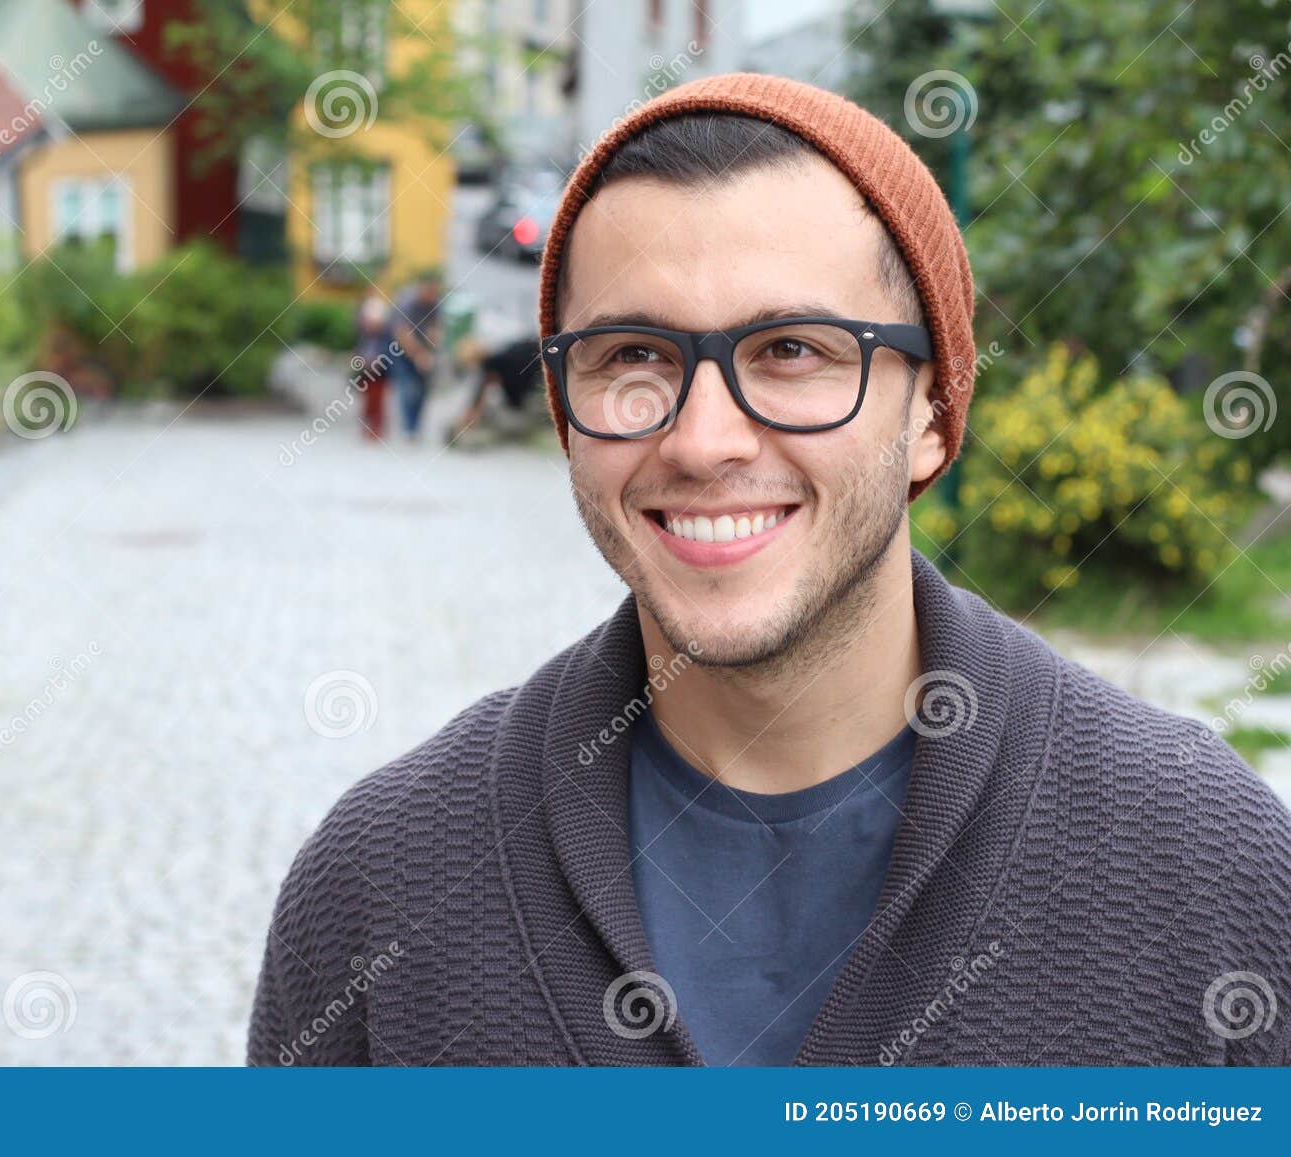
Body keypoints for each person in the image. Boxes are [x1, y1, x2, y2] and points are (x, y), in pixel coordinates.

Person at [249, 74, 1291, 1066]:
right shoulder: (378, 889)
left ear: (932, 412)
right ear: (566, 415)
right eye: (632, 356)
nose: (704, 441)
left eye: (792, 350)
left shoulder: (1208, 865)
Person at [448, 334, 543, 442]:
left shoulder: (495, 364)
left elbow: (481, 390)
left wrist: (472, 414)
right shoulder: (500, 359)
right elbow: (482, 389)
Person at [390, 274, 443, 441]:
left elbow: (436, 329)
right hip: (403, 352)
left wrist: (431, 350)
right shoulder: (407, 303)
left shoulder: (435, 304)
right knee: (408, 388)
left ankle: (416, 426)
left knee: (423, 391)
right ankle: (408, 427)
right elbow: (402, 334)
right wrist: (419, 355)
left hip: (425, 352)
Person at [352, 295, 392, 441]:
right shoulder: (362, 336)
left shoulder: (386, 336)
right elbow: (357, 351)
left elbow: (389, 354)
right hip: (364, 371)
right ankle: (367, 425)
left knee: (378, 401)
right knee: (366, 401)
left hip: (381, 372)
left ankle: (377, 427)